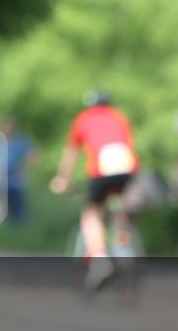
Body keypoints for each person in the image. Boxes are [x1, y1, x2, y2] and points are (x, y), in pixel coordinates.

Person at [50, 91, 139, 291]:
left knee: (91, 213)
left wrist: (63, 179)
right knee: (120, 211)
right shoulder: (119, 117)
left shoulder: (84, 118)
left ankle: (100, 260)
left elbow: (71, 153)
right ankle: (123, 248)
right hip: (127, 169)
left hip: (102, 170)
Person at [0, 117, 36, 224]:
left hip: (15, 181)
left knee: (17, 207)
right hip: (0, 181)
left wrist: (23, 166)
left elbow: (32, 154)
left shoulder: (20, 140)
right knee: (0, 208)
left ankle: (20, 228)